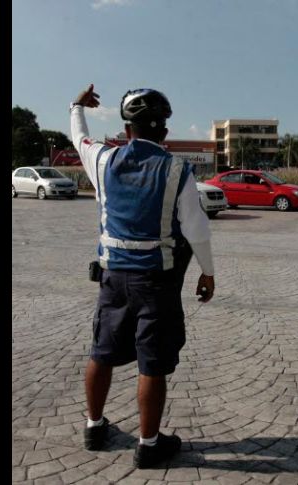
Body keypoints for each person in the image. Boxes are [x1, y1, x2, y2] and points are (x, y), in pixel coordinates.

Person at [70, 84, 215, 469]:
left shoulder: (102, 161)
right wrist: (208, 272)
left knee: (101, 351)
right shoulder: (177, 170)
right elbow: (196, 229)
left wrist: (76, 106)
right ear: (164, 131)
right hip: (156, 283)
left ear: (126, 129)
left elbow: (79, 138)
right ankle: (148, 445)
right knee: (152, 361)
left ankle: (94, 427)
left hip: (112, 278)